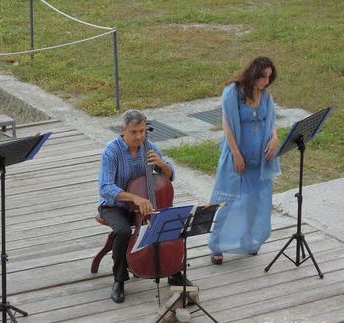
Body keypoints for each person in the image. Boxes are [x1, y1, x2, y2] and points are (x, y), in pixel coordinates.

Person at [98, 109, 191, 304]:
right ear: (123, 130)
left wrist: (162, 165)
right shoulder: (111, 151)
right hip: (116, 206)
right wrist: (135, 198)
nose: (139, 136)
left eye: (142, 131)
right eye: (134, 132)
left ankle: (174, 271)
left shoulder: (150, 148)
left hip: (146, 207)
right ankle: (119, 280)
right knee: (123, 231)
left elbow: (170, 175)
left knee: (168, 224)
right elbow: (106, 188)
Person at [208, 56, 281, 264]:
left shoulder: (265, 94)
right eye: (263, 77)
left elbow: (271, 119)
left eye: (269, 77)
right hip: (237, 157)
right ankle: (217, 245)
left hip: (260, 160)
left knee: (255, 202)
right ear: (253, 75)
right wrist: (236, 154)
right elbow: (227, 125)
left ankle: (250, 242)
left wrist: (274, 138)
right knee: (228, 201)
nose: (266, 82)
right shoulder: (233, 92)